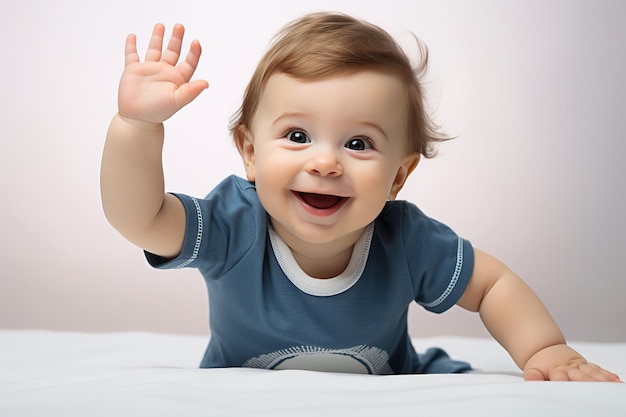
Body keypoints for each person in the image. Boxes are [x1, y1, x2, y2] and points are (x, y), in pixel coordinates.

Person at [101, 12, 620, 381]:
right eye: (298, 136)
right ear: (250, 153)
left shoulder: (405, 239)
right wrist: (136, 127)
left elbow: (492, 284)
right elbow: (140, 218)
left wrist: (546, 348)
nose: (325, 162)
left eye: (358, 144)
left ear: (398, 177)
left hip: (395, 383)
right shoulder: (234, 224)